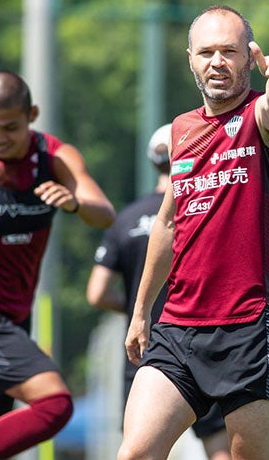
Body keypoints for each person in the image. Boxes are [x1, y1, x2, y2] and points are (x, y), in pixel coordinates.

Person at [118, 4, 269, 460]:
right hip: (178, 327)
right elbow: (166, 222)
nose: (217, 61)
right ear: (190, 59)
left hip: (251, 330)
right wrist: (142, 311)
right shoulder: (182, 129)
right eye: (206, 52)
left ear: (248, 56)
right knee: (135, 454)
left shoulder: (262, 115)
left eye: (229, 51)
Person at [0, 70, 116, 460]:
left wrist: (74, 203)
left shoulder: (53, 156)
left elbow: (103, 213)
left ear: (32, 115)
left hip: (14, 319)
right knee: (55, 404)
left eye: (11, 127)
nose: (0, 138)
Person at [87, 124, 231, 460]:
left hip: (145, 345)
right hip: (200, 337)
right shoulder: (204, 207)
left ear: (154, 161)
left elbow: (96, 292)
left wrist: (138, 310)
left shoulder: (126, 219)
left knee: (141, 448)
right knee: (219, 448)